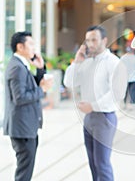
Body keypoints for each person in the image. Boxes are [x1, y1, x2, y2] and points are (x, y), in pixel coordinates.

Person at [63, 25, 126, 181]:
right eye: (88, 40)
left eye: (94, 39)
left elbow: (117, 92)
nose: (90, 43)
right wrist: (76, 63)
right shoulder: (86, 62)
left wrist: (94, 105)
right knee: (92, 164)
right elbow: (68, 82)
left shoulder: (113, 62)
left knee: (102, 163)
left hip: (104, 117)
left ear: (104, 40)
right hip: (89, 118)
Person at [3, 31, 53, 181]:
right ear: (20, 46)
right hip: (22, 129)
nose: (34, 48)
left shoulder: (21, 65)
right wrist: (42, 90)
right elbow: (20, 97)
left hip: (25, 127)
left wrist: (40, 68)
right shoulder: (17, 68)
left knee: (25, 170)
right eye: (30, 44)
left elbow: (31, 87)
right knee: (24, 172)